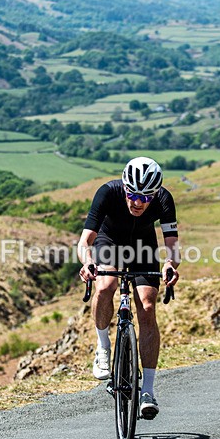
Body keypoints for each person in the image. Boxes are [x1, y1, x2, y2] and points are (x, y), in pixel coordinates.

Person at [77, 157, 179, 420]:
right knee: (106, 284)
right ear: (124, 187)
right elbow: (84, 241)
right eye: (132, 194)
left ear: (154, 194)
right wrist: (88, 261)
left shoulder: (164, 199)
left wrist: (170, 264)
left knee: (146, 305)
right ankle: (102, 347)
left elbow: (172, 247)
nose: (137, 202)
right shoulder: (108, 192)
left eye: (145, 197)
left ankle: (147, 390)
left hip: (143, 246)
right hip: (108, 241)